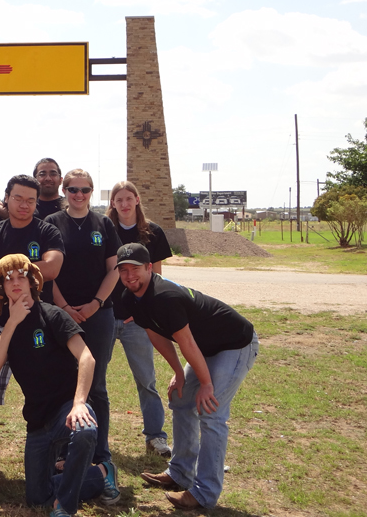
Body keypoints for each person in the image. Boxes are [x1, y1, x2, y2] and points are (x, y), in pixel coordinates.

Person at [117, 243, 259, 510]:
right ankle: (180, 472)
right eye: (123, 270)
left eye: (134, 268)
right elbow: (157, 336)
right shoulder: (130, 297)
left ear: (149, 268)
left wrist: (206, 384)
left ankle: (204, 493)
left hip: (235, 344)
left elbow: (187, 342)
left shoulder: (164, 296)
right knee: (182, 400)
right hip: (204, 348)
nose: (129, 275)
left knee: (211, 411)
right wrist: (177, 374)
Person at [0, 254, 120, 515]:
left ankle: (65, 508)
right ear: (1, 287)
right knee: (37, 497)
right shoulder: (7, 326)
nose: (15, 282)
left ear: (32, 281)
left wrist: (79, 403)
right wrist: (12, 321)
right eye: (8, 278)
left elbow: (87, 358)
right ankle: (99, 474)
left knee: (85, 430)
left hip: (66, 409)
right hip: (37, 421)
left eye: (21, 276)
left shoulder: (52, 314)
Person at [0, 175, 64, 467]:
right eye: (18, 198)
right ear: (6, 198)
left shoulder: (47, 231)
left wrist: (7, 270)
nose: (24, 205)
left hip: (37, 324)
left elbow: (54, 266)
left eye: (30, 201)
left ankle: (57, 451)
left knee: (49, 390)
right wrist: (29, 270)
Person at [45, 169, 121, 469]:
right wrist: (63, 306)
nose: (79, 195)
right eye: (73, 189)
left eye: (85, 190)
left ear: (91, 192)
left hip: (99, 314)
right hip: (60, 314)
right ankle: (64, 452)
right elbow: (47, 271)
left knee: (97, 385)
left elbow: (114, 268)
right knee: (64, 381)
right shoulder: (52, 224)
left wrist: (95, 303)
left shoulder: (103, 223)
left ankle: (100, 453)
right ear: (64, 191)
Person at [106, 181, 173, 458]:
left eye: (128, 199)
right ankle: (95, 437)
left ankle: (155, 436)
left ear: (137, 200)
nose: (123, 204)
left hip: (138, 320)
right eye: (118, 199)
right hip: (106, 316)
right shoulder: (103, 229)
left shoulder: (152, 232)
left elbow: (157, 278)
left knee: (146, 380)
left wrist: (146, 311)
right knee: (95, 380)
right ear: (112, 203)